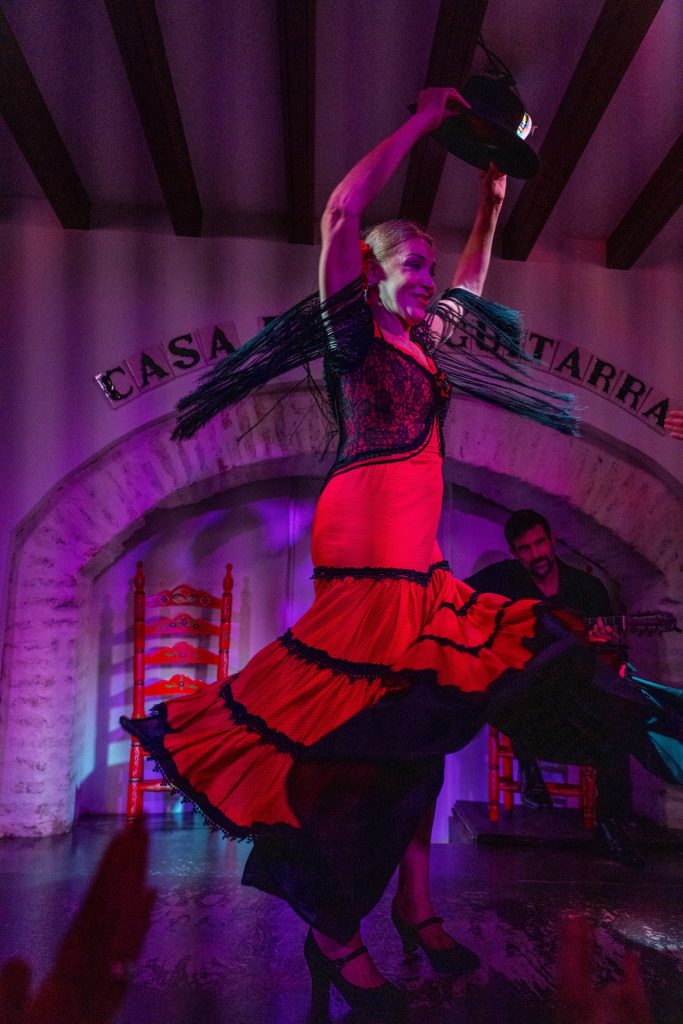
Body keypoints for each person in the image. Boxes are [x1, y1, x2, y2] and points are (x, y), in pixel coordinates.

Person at [122, 88, 682, 1017]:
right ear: (373, 274)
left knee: (431, 736)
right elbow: (343, 209)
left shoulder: (426, 342)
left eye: (428, 263)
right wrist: (427, 121)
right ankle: (337, 938)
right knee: (364, 763)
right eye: (409, 261)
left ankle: (416, 906)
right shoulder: (354, 334)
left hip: (420, 584)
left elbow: (471, 284)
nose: (425, 275)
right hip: (365, 581)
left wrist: (493, 205)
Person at [465, 509, 641, 866]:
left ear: (553, 540)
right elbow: (459, 598)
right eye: (525, 548)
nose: (536, 554)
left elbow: (607, 658)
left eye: (540, 543)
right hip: (525, 705)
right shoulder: (503, 580)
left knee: (615, 713)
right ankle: (530, 766)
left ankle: (611, 825)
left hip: (575, 704)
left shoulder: (586, 589)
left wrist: (605, 644)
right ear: (515, 553)